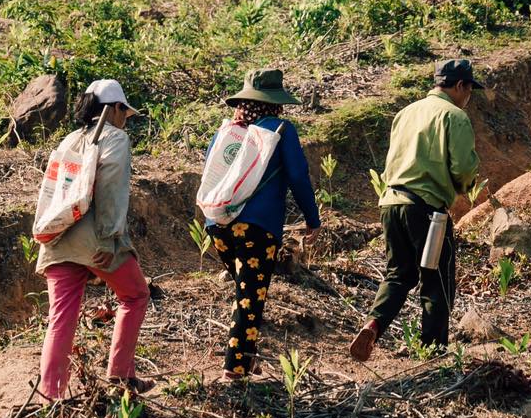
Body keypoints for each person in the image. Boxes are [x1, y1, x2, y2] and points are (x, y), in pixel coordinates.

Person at [349, 59, 488, 361]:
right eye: (469, 90)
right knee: (436, 277)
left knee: (399, 273)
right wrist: (465, 184)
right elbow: (463, 167)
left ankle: (374, 324)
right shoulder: (455, 116)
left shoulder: (405, 112)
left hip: (391, 203)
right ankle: (433, 349)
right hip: (427, 210)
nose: (468, 96)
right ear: (461, 86)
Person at [36, 79, 151, 402]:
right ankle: (121, 375)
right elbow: (111, 190)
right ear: (115, 108)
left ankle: (51, 396)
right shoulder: (116, 138)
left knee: (61, 318)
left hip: (58, 237)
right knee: (135, 296)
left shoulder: (70, 139)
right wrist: (109, 238)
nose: (125, 118)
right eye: (124, 112)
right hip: (95, 240)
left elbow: (51, 190)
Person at [204, 69, 321, 380]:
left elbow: (210, 174)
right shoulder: (281, 130)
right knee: (250, 297)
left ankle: (245, 358)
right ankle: (236, 370)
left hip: (218, 225)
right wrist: (313, 219)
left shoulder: (226, 132)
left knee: (246, 294)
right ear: (276, 103)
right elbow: (298, 176)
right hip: (257, 226)